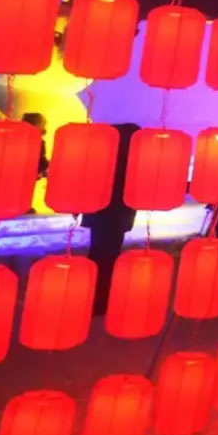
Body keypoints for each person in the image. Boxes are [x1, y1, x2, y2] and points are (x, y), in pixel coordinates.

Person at [83, 123, 139, 314]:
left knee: (98, 254)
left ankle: (94, 294)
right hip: (115, 216)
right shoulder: (129, 162)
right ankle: (101, 297)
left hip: (101, 215)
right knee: (108, 255)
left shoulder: (102, 159)